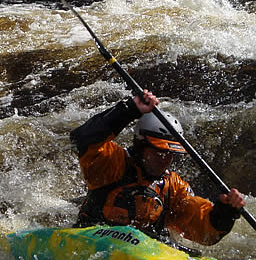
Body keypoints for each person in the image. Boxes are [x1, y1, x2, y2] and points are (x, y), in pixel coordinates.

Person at [70, 89, 246, 248]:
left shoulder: (173, 187)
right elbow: (83, 139)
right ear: (140, 145)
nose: (166, 160)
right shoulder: (111, 163)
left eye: (170, 154)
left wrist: (225, 213)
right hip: (94, 244)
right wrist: (129, 109)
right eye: (159, 152)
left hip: (140, 252)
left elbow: (204, 232)